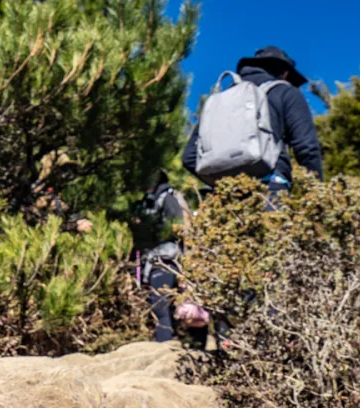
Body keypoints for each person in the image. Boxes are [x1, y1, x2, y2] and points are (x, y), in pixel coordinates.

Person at [182, 46, 323, 205]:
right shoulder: (286, 92)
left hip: (224, 202)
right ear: (285, 73)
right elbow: (307, 147)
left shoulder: (220, 100)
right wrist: (317, 196)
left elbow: (189, 157)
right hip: (270, 192)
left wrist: (222, 181)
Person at [132, 171, 204, 343]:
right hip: (160, 257)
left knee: (161, 305)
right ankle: (183, 344)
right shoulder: (149, 200)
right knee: (168, 305)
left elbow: (180, 226)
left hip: (167, 258)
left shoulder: (166, 198)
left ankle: (166, 345)